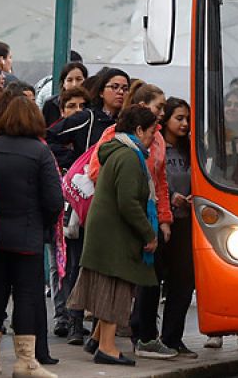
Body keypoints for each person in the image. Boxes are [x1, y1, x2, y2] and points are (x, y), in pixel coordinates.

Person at [0, 92, 63, 378]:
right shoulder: (40, 152)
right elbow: (53, 200)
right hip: (28, 237)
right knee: (26, 297)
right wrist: (43, 225)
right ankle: (25, 361)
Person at [69, 106, 161, 366]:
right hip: (115, 235)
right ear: (139, 130)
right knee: (116, 289)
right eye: (152, 131)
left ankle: (97, 339)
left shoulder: (117, 151)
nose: (153, 138)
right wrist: (148, 234)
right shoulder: (131, 158)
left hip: (104, 231)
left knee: (107, 285)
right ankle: (108, 349)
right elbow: (129, 203)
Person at [47, 67, 129, 344]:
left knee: (103, 265)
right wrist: (74, 162)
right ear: (102, 90)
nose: (120, 92)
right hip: (84, 201)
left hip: (114, 204)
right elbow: (50, 137)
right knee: (77, 262)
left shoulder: (127, 122)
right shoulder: (89, 117)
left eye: (124, 87)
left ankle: (98, 328)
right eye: (114, 86)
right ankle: (73, 323)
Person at [139, 98, 196, 358]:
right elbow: (152, 180)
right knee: (152, 281)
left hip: (186, 222)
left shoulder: (193, 150)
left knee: (183, 282)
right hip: (160, 223)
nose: (184, 124)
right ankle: (146, 334)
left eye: (187, 119)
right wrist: (171, 196)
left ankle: (173, 337)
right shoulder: (156, 147)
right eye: (179, 118)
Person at [42, 62, 87, 126]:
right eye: (69, 80)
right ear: (63, 83)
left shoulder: (91, 103)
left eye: (78, 79)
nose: (74, 84)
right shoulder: (51, 104)